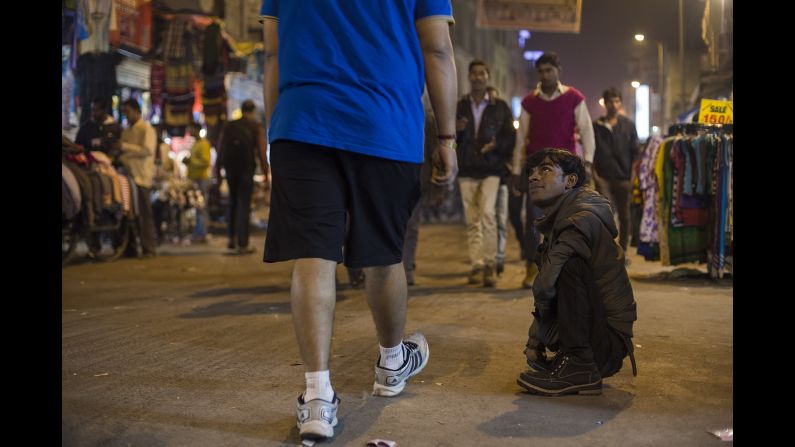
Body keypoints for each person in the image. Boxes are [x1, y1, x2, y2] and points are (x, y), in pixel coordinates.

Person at [260, 0, 458, 440]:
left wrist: (277, 132)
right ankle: (391, 363)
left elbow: (272, 54)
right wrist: (447, 137)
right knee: (384, 255)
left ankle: (317, 397)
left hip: (301, 123)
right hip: (383, 124)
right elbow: (438, 51)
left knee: (313, 254)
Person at [515, 148, 637, 396]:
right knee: (561, 267)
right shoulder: (561, 218)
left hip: (607, 344)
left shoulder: (581, 219)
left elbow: (546, 284)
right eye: (532, 172)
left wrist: (535, 339)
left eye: (545, 170)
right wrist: (536, 340)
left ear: (570, 181)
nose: (533, 177)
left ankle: (580, 364)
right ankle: (573, 361)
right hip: (598, 336)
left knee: (568, 266)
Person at [511, 52, 596, 289]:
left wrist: (587, 164)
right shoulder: (529, 102)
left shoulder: (574, 98)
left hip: (565, 171)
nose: (545, 75)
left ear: (558, 70)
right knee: (532, 218)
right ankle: (531, 267)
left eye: (549, 70)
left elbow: (587, 132)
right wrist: (518, 171)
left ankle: (561, 268)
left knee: (565, 219)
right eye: (541, 71)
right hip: (536, 171)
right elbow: (521, 139)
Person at [455, 60, 516, 287]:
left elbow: (510, 136)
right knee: (472, 220)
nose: (478, 77)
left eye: (482, 73)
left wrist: (496, 145)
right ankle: (477, 264)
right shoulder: (460, 105)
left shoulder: (500, 106)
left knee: (488, 215)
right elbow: (450, 136)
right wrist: (457, 132)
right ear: (469, 77)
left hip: (492, 168)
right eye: (474, 73)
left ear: (488, 76)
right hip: (467, 168)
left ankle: (490, 264)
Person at [216, 99, 268, 254]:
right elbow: (261, 150)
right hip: (246, 170)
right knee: (244, 204)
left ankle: (231, 240)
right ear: (252, 111)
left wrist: (218, 171)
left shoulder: (230, 126)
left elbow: (220, 149)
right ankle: (243, 243)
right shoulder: (255, 126)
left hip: (231, 170)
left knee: (232, 202)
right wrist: (266, 173)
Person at [592, 87, 640, 254]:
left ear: (620, 103)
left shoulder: (628, 125)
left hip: (624, 177)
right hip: (603, 177)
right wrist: (594, 175)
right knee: (605, 214)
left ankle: (623, 250)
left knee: (625, 216)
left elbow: (635, 153)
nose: (613, 104)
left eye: (616, 101)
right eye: (610, 101)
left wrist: (632, 176)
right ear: (605, 103)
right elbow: (590, 152)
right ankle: (607, 250)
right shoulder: (596, 126)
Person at [119, 98, 158, 258]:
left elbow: (148, 150)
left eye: (128, 112)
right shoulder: (126, 130)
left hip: (141, 177)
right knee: (128, 215)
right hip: (126, 177)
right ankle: (130, 248)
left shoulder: (146, 129)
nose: (126, 115)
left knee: (144, 214)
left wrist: (124, 147)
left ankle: (149, 248)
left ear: (137, 111)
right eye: (124, 112)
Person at [486, 85, 512, 277]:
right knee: (488, 219)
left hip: (502, 177)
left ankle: (500, 257)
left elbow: (511, 141)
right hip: (484, 174)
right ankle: (489, 258)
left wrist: (497, 147)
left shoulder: (505, 119)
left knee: (501, 219)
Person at [187, 122, 212, 244]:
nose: (189, 131)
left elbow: (205, 162)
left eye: (190, 129)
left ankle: (202, 234)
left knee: (201, 208)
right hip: (195, 179)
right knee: (198, 208)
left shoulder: (204, 144)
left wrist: (190, 161)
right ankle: (198, 233)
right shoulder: (195, 144)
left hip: (202, 179)